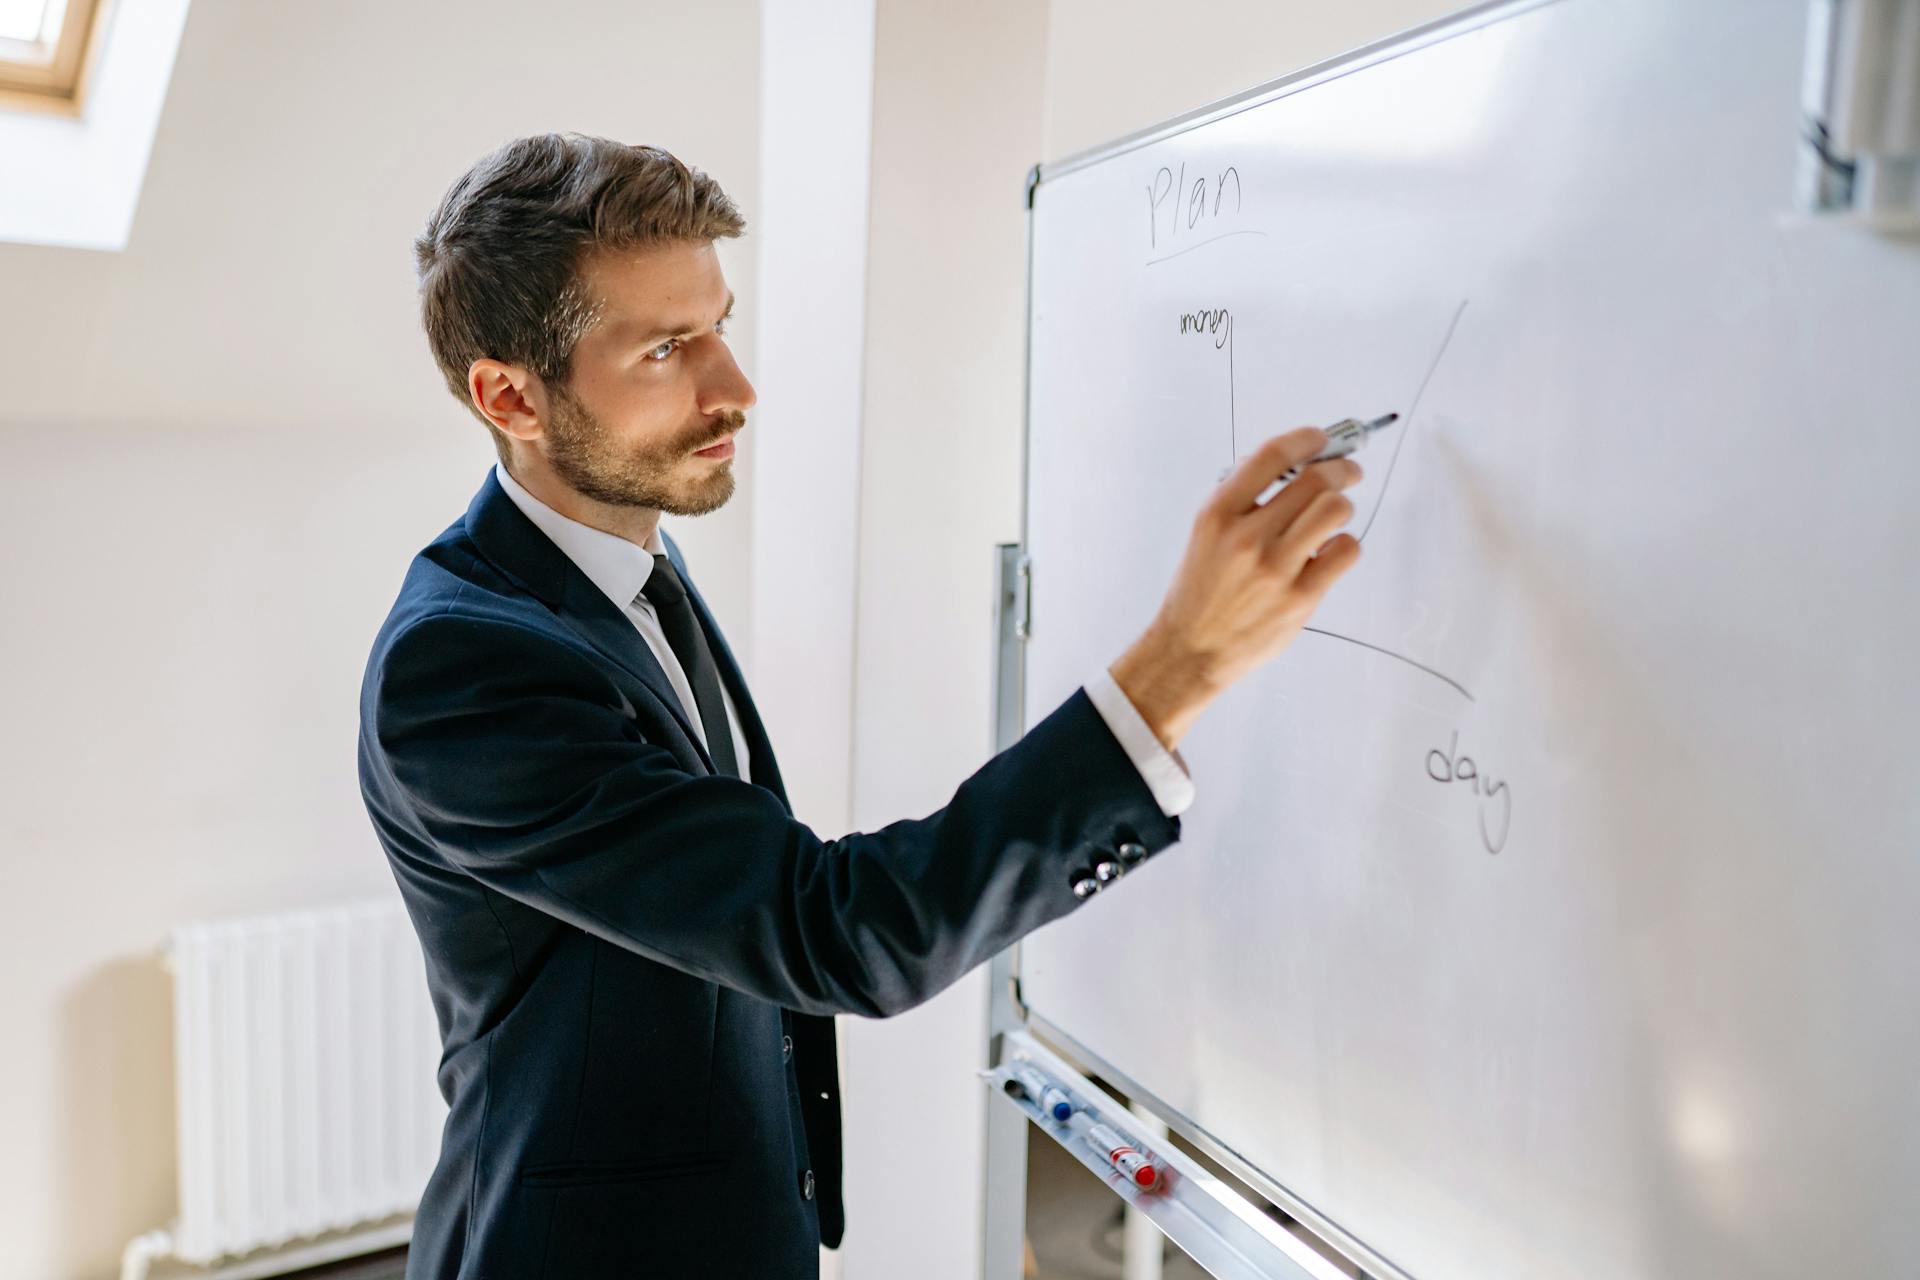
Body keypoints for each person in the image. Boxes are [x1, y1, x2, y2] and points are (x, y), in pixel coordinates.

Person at [358, 132, 1362, 1280]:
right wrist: (1177, 666)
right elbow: (835, 926)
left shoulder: (626, 560)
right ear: (509, 396)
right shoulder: (459, 668)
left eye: (720, 323)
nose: (734, 386)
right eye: (667, 348)